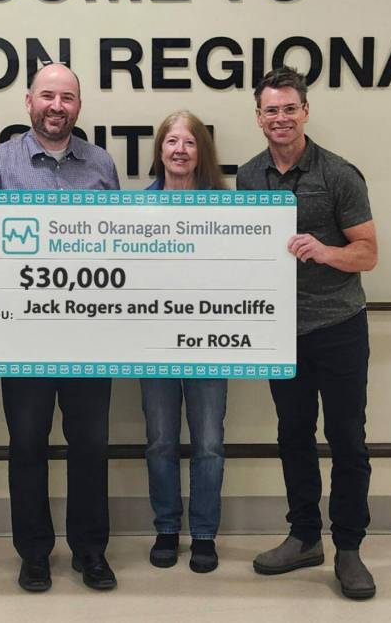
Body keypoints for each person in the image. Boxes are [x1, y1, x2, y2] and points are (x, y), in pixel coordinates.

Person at [0, 63, 121, 592]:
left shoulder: (101, 164)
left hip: (89, 339)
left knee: (91, 446)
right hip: (23, 340)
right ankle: (34, 553)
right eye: (48, 96)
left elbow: (117, 247)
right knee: (27, 445)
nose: (57, 106)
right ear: (28, 100)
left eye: (68, 98)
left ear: (79, 106)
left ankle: (90, 551)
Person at [236, 66, 379, 600]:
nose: (280, 118)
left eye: (289, 108)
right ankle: (303, 537)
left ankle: (348, 548)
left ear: (305, 112)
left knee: (347, 439)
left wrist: (325, 250)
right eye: (270, 110)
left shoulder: (340, 174)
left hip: (339, 326)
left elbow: (369, 252)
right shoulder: (249, 176)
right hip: (280, 331)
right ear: (258, 117)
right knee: (292, 434)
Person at [142, 111, 229, 573]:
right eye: (172, 141)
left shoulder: (230, 209)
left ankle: (204, 533)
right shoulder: (136, 208)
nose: (180, 150)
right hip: (153, 344)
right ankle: (167, 528)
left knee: (209, 442)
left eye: (189, 143)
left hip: (211, 343)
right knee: (159, 440)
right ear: (160, 150)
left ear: (202, 153)